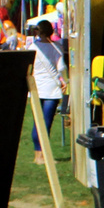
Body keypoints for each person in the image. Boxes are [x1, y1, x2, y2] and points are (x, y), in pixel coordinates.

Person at [27, 19, 66, 164]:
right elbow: (61, 68)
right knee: (46, 122)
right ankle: (43, 156)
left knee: (37, 121)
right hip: (52, 89)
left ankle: (37, 155)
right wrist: (65, 82)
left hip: (36, 87)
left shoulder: (32, 47)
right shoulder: (57, 47)